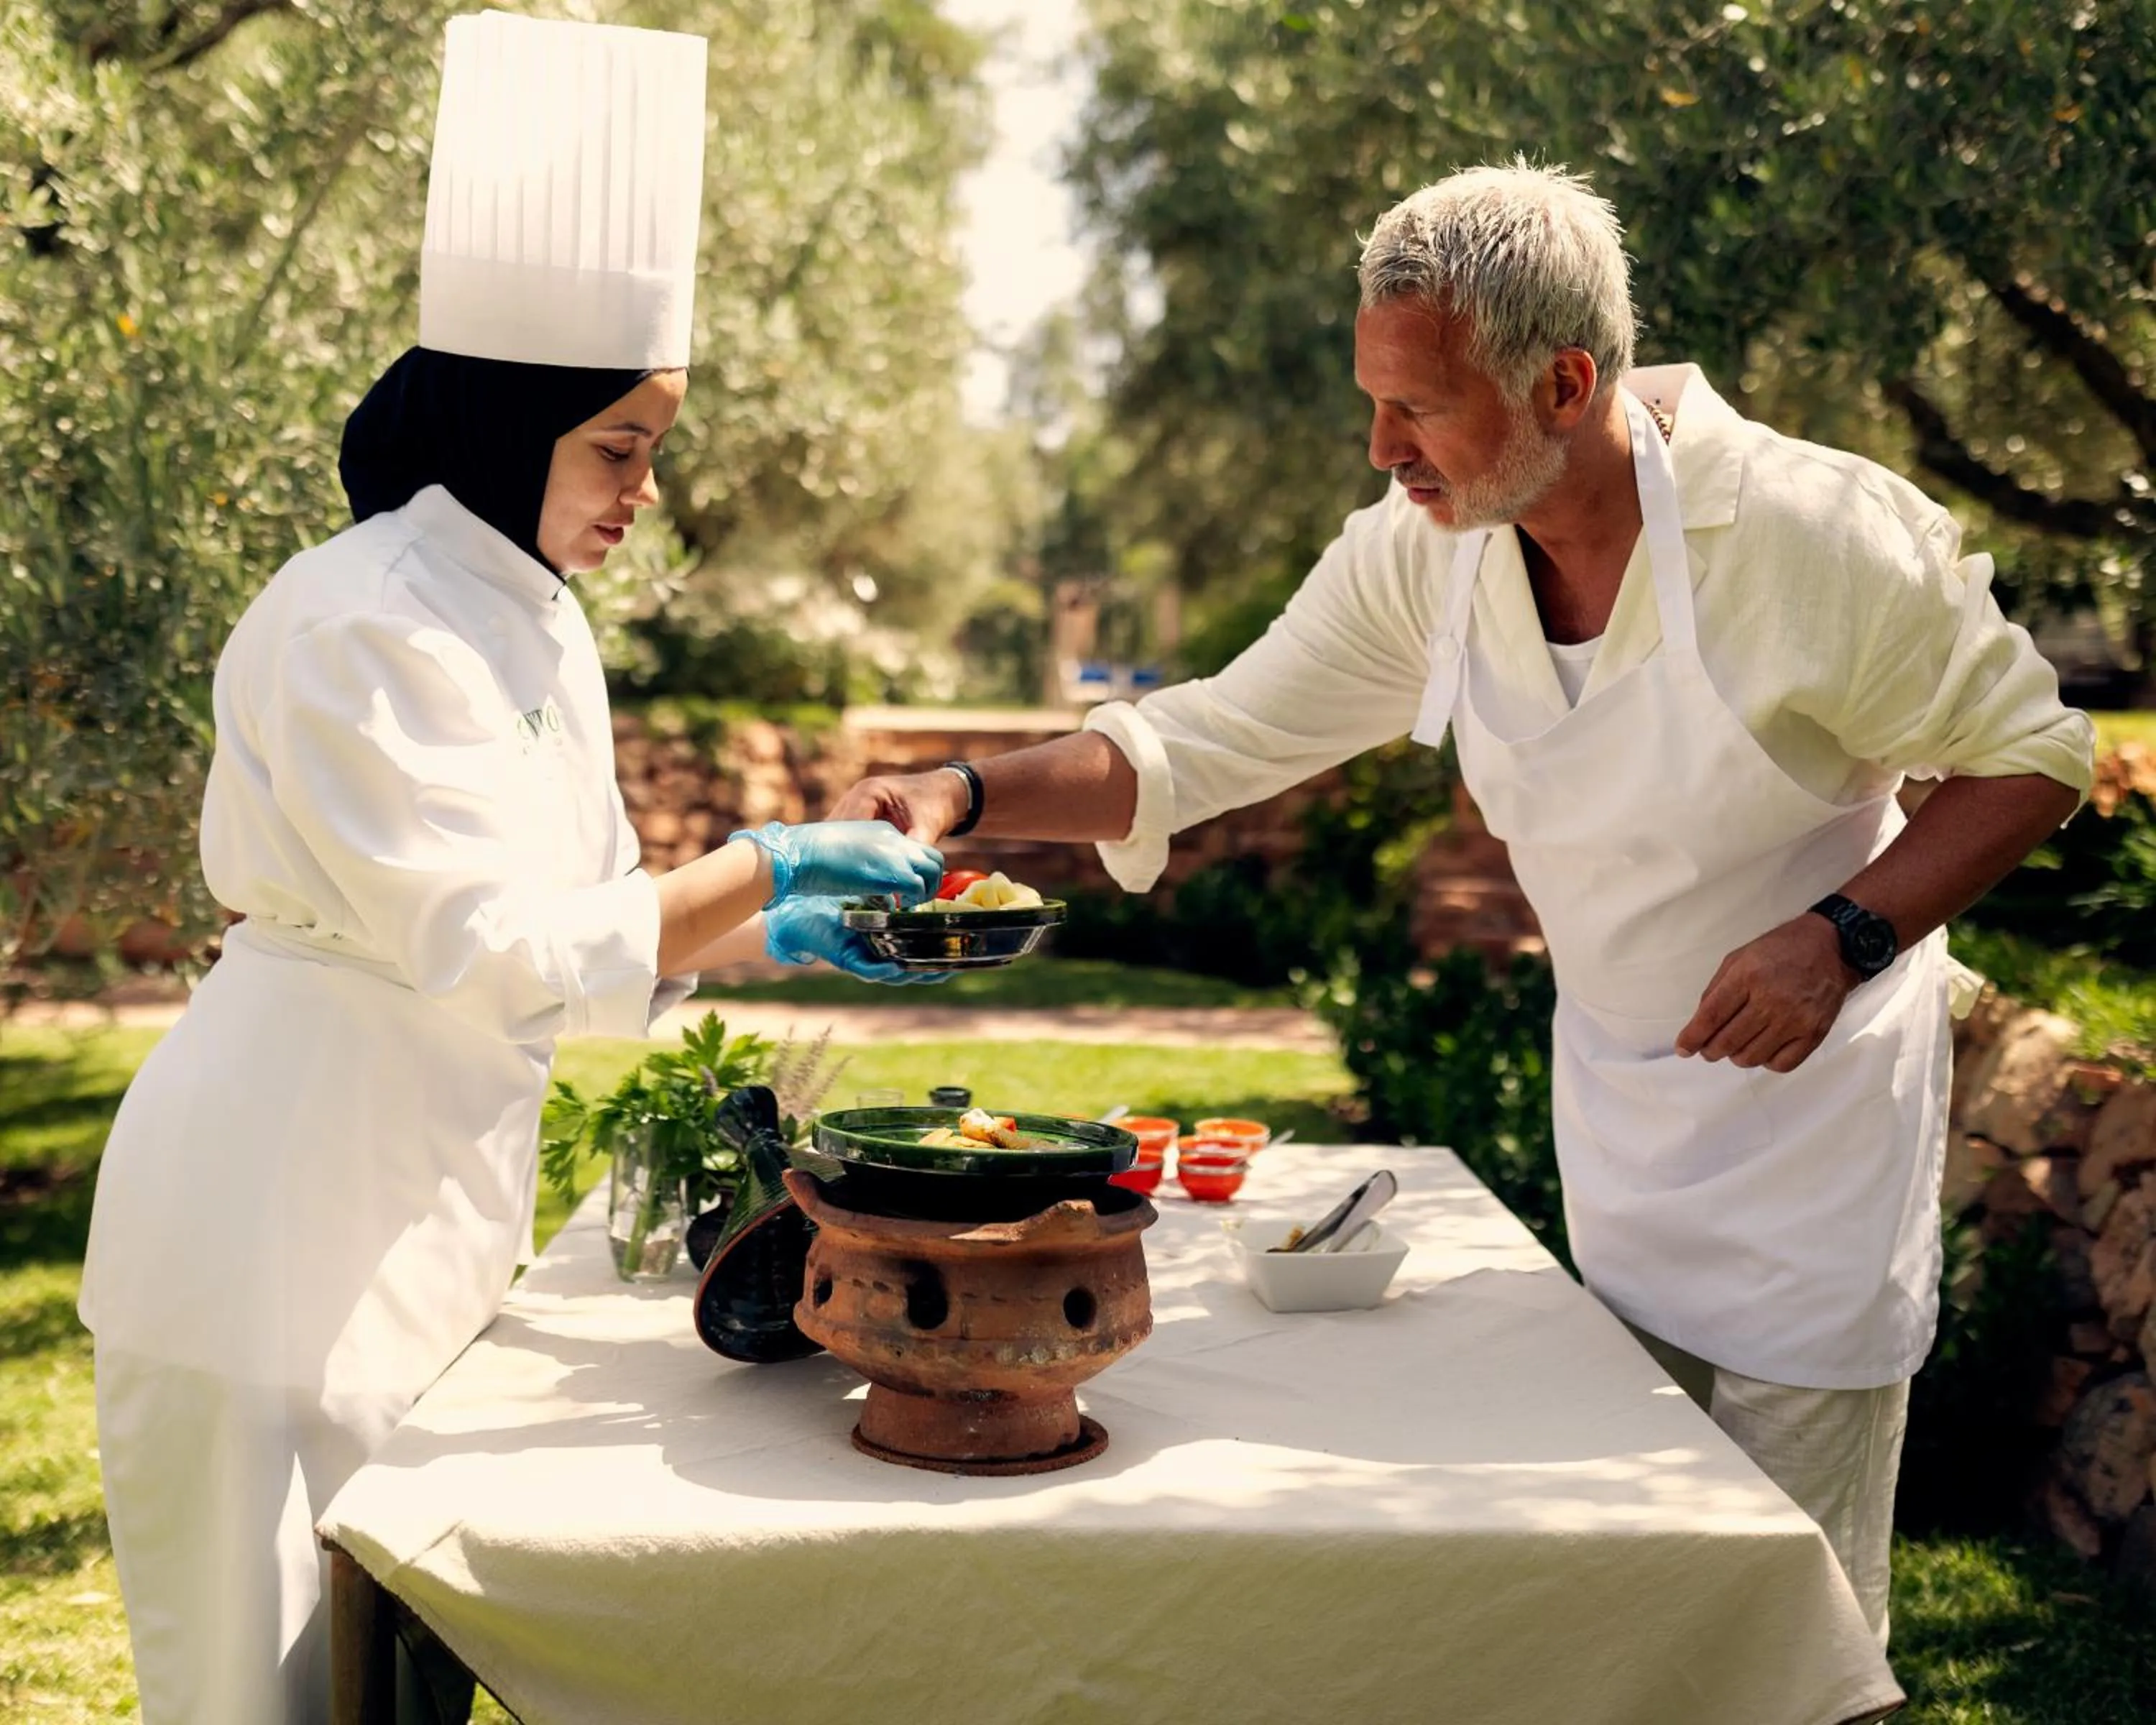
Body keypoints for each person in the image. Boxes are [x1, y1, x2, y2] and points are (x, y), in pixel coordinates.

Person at [833, 162, 2096, 1642]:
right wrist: (957, 798)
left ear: (1564, 383)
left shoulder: (1817, 540)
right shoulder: (1421, 560)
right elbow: (1205, 737)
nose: (1383, 450)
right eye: (1376, 404)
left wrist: (1844, 935)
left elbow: (2035, 759)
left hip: (1816, 1157)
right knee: (1628, 1607)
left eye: (1418, 408)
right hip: (1622, 1129)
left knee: (1795, 1626)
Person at [78, 14, 941, 1721]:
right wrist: (764, 860)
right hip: (260, 1232)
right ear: (506, 418)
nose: (644, 492)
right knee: (259, 1696)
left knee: (404, 1689)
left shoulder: (539, 626)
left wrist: (785, 928)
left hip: (423, 1222)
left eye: (654, 451)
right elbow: (491, 947)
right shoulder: (353, 620)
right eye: (621, 449)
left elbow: (608, 935)